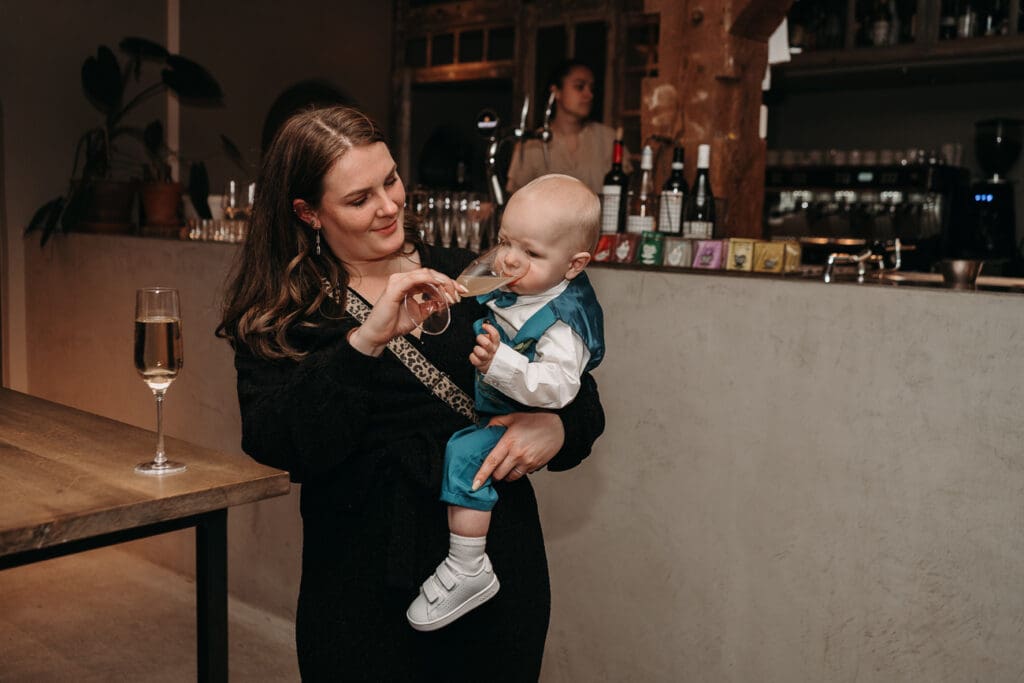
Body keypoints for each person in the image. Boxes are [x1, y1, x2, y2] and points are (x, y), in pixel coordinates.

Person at [216, 106, 605, 682]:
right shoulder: (283, 314)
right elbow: (279, 440)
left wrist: (558, 428)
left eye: (391, 180)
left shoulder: (475, 275)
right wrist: (367, 338)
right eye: (359, 198)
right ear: (307, 212)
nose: (390, 206)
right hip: (362, 577)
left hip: (494, 566)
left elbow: (578, 391)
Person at [407, 174, 605, 632]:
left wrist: (505, 369)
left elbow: (565, 392)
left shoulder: (563, 321)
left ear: (574, 265)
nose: (510, 261)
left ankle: (467, 566)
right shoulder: (521, 280)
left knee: (464, 458)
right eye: (503, 242)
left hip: (504, 420)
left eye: (531, 253)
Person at [505, 60, 631, 195]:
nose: (588, 95)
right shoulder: (532, 143)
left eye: (591, 89)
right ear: (556, 92)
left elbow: (627, 189)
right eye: (579, 87)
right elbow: (515, 197)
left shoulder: (608, 138)